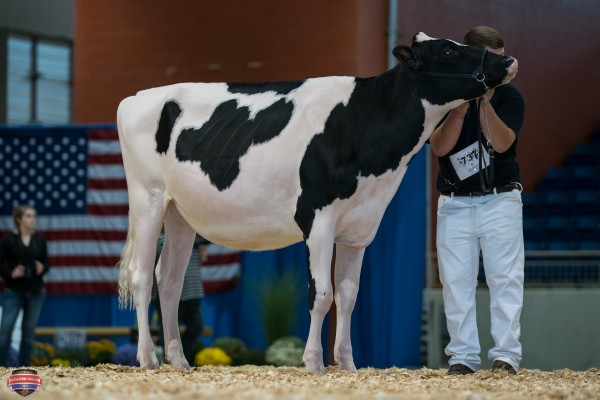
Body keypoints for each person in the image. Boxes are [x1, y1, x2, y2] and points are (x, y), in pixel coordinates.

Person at [429, 26, 525, 375]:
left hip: (500, 200)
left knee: (505, 280)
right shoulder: (448, 98)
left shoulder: (509, 97)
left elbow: (501, 144)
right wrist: (460, 105)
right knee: (455, 283)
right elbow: (440, 147)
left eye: (502, 61)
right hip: (454, 203)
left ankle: (506, 357)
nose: (500, 69)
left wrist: (484, 98)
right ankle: (462, 358)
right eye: (492, 62)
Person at [0, 205, 49, 366]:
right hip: (13, 290)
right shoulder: (9, 240)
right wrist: (10, 273)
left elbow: (46, 264)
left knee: (28, 333)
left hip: (35, 291)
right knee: (5, 331)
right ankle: (1, 368)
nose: (32, 219)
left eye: (34, 216)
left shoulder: (39, 240)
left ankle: (23, 369)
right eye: (28, 216)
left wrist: (42, 268)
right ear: (19, 219)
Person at [152, 233, 208, 364]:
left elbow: (199, 260)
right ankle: (168, 361)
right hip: (168, 292)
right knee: (167, 330)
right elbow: (157, 250)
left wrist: (201, 251)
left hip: (192, 290)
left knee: (196, 326)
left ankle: (180, 357)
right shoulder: (159, 235)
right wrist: (181, 240)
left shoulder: (193, 236)